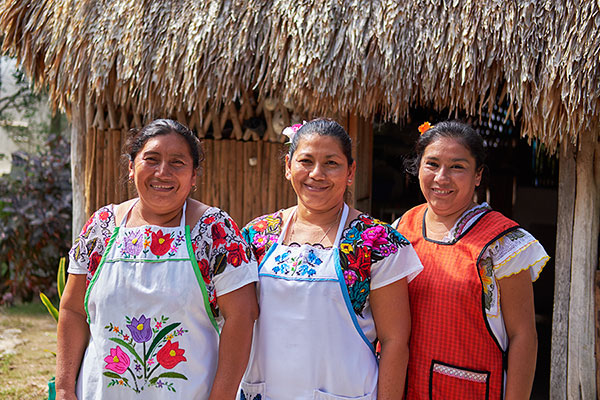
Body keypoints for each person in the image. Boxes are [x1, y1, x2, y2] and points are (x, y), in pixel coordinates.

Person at [56, 119, 259, 400]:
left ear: (194, 176)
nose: (162, 172)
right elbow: (73, 311)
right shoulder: (101, 227)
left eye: (177, 163)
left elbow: (242, 316)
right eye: (151, 159)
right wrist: (65, 388)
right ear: (131, 167)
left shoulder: (214, 231)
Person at [239, 119, 423, 400]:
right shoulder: (257, 235)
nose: (317, 173)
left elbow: (394, 342)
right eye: (306, 161)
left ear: (350, 171)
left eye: (331, 163)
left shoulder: (376, 242)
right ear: (288, 167)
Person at [394, 120, 549, 399]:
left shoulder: (502, 244)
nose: (442, 177)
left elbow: (523, 336)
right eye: (432, 164)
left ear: (477, 175)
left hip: (470, 388)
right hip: (405, 385)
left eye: (457, 166)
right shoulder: (402, 227)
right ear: (418, 167)